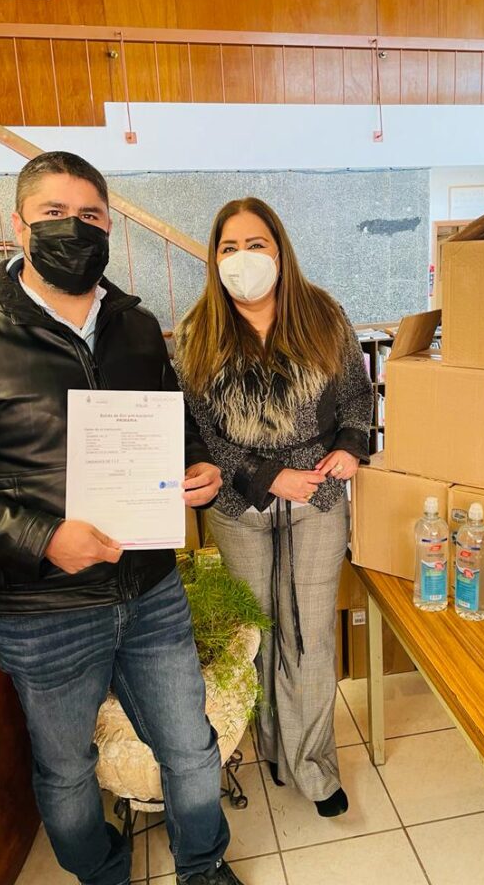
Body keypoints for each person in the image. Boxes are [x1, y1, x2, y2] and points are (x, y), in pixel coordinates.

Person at [0, 152, 244, 885]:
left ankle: (203, 866)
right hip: (42, 609)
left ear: (107, 226)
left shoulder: (136, 325)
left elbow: (176, 427)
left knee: (190, 747)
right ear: (19, 225)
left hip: (150, 587)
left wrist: (199, 464)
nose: (74, 229)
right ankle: (103, 875)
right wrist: (44, 538)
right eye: (54, 214)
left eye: (90, 216)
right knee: (68, 769)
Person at [174, 197, 373, 817]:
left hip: (317, 496)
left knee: (309, 634)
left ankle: (314, 767)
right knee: (257, 633)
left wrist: (350, 447)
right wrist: (266, 476)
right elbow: (197, 431)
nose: (243, 258)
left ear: (279, 251)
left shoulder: (323, 316)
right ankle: (272, 749)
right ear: (215, 259)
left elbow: (357, 397)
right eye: (229, 248)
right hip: (238, 504)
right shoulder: (196, 333)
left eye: (255, 244)